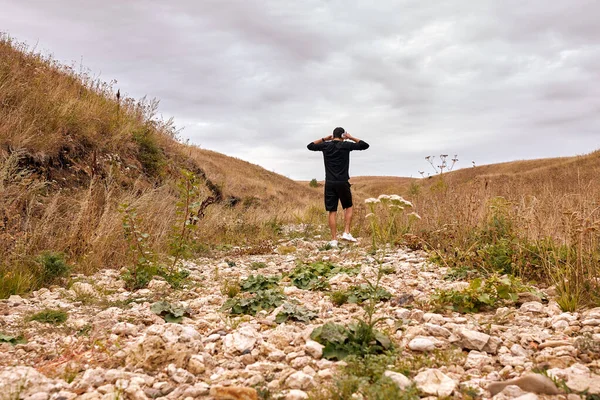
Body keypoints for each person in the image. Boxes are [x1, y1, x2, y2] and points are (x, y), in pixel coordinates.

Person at [307, 127, 369, 247]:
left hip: (330, 183)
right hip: (342, 181)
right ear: (343, 135)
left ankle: (334, 239)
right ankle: (346, 232)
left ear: (333, 135)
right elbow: (364, 145)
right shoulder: (346, 145)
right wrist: (350, 137)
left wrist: (324, 139)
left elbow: (310, 146)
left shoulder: (326, 145)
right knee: (349, 207)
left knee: (332, 211)